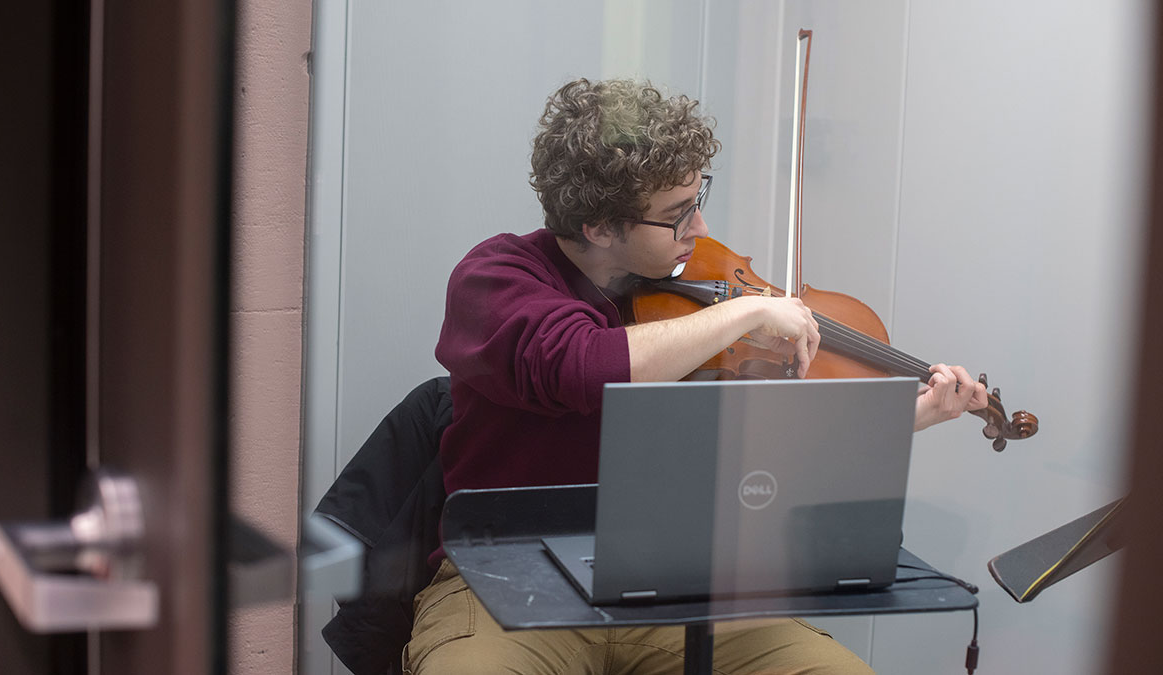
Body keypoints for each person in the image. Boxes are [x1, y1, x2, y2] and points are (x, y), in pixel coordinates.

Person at [407, 78, 987, 675]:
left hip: (678, 578)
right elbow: (582, 366)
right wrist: (746, 311)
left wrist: (906, 415)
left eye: (698, 198)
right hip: (507, 572)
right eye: (676, 215)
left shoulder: (691, 305)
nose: (702, 229)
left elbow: (768, 452)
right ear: (600, 227)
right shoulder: (495, 279)